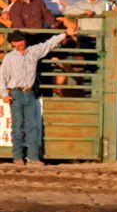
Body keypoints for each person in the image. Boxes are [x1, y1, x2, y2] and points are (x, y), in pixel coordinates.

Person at [0, 26, 77, 165]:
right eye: (17, 41)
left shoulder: (33, 52)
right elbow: (2, 77)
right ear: (12, 44)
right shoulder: (9, 58)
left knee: (32, 125)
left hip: (28, 92)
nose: (20, 43)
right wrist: (4, 94)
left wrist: (64, 34)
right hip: (15, 93)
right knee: (18, 126)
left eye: (21, 40)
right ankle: (18, 157)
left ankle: (33, 157)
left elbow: (49, 44)